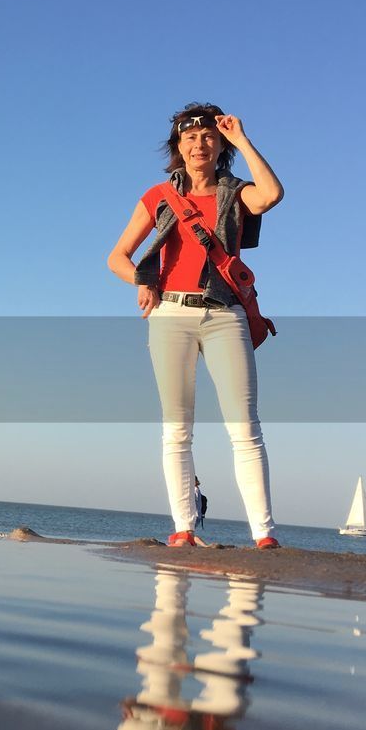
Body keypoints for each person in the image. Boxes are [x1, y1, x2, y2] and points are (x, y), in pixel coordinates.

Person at [106, 103, 283, 549]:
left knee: (244, 427)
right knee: (177, 428)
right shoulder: (158, 196)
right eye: (190, 137)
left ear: (219, 146)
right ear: (178, 147)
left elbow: (272, 194)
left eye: (208, 137)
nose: (199, 143)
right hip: (170, 315)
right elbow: (117, 257)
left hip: (226, 315)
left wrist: (242, 138)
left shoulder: (236, 193)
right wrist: (144, 282)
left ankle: (264, 535)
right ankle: (184, 528)